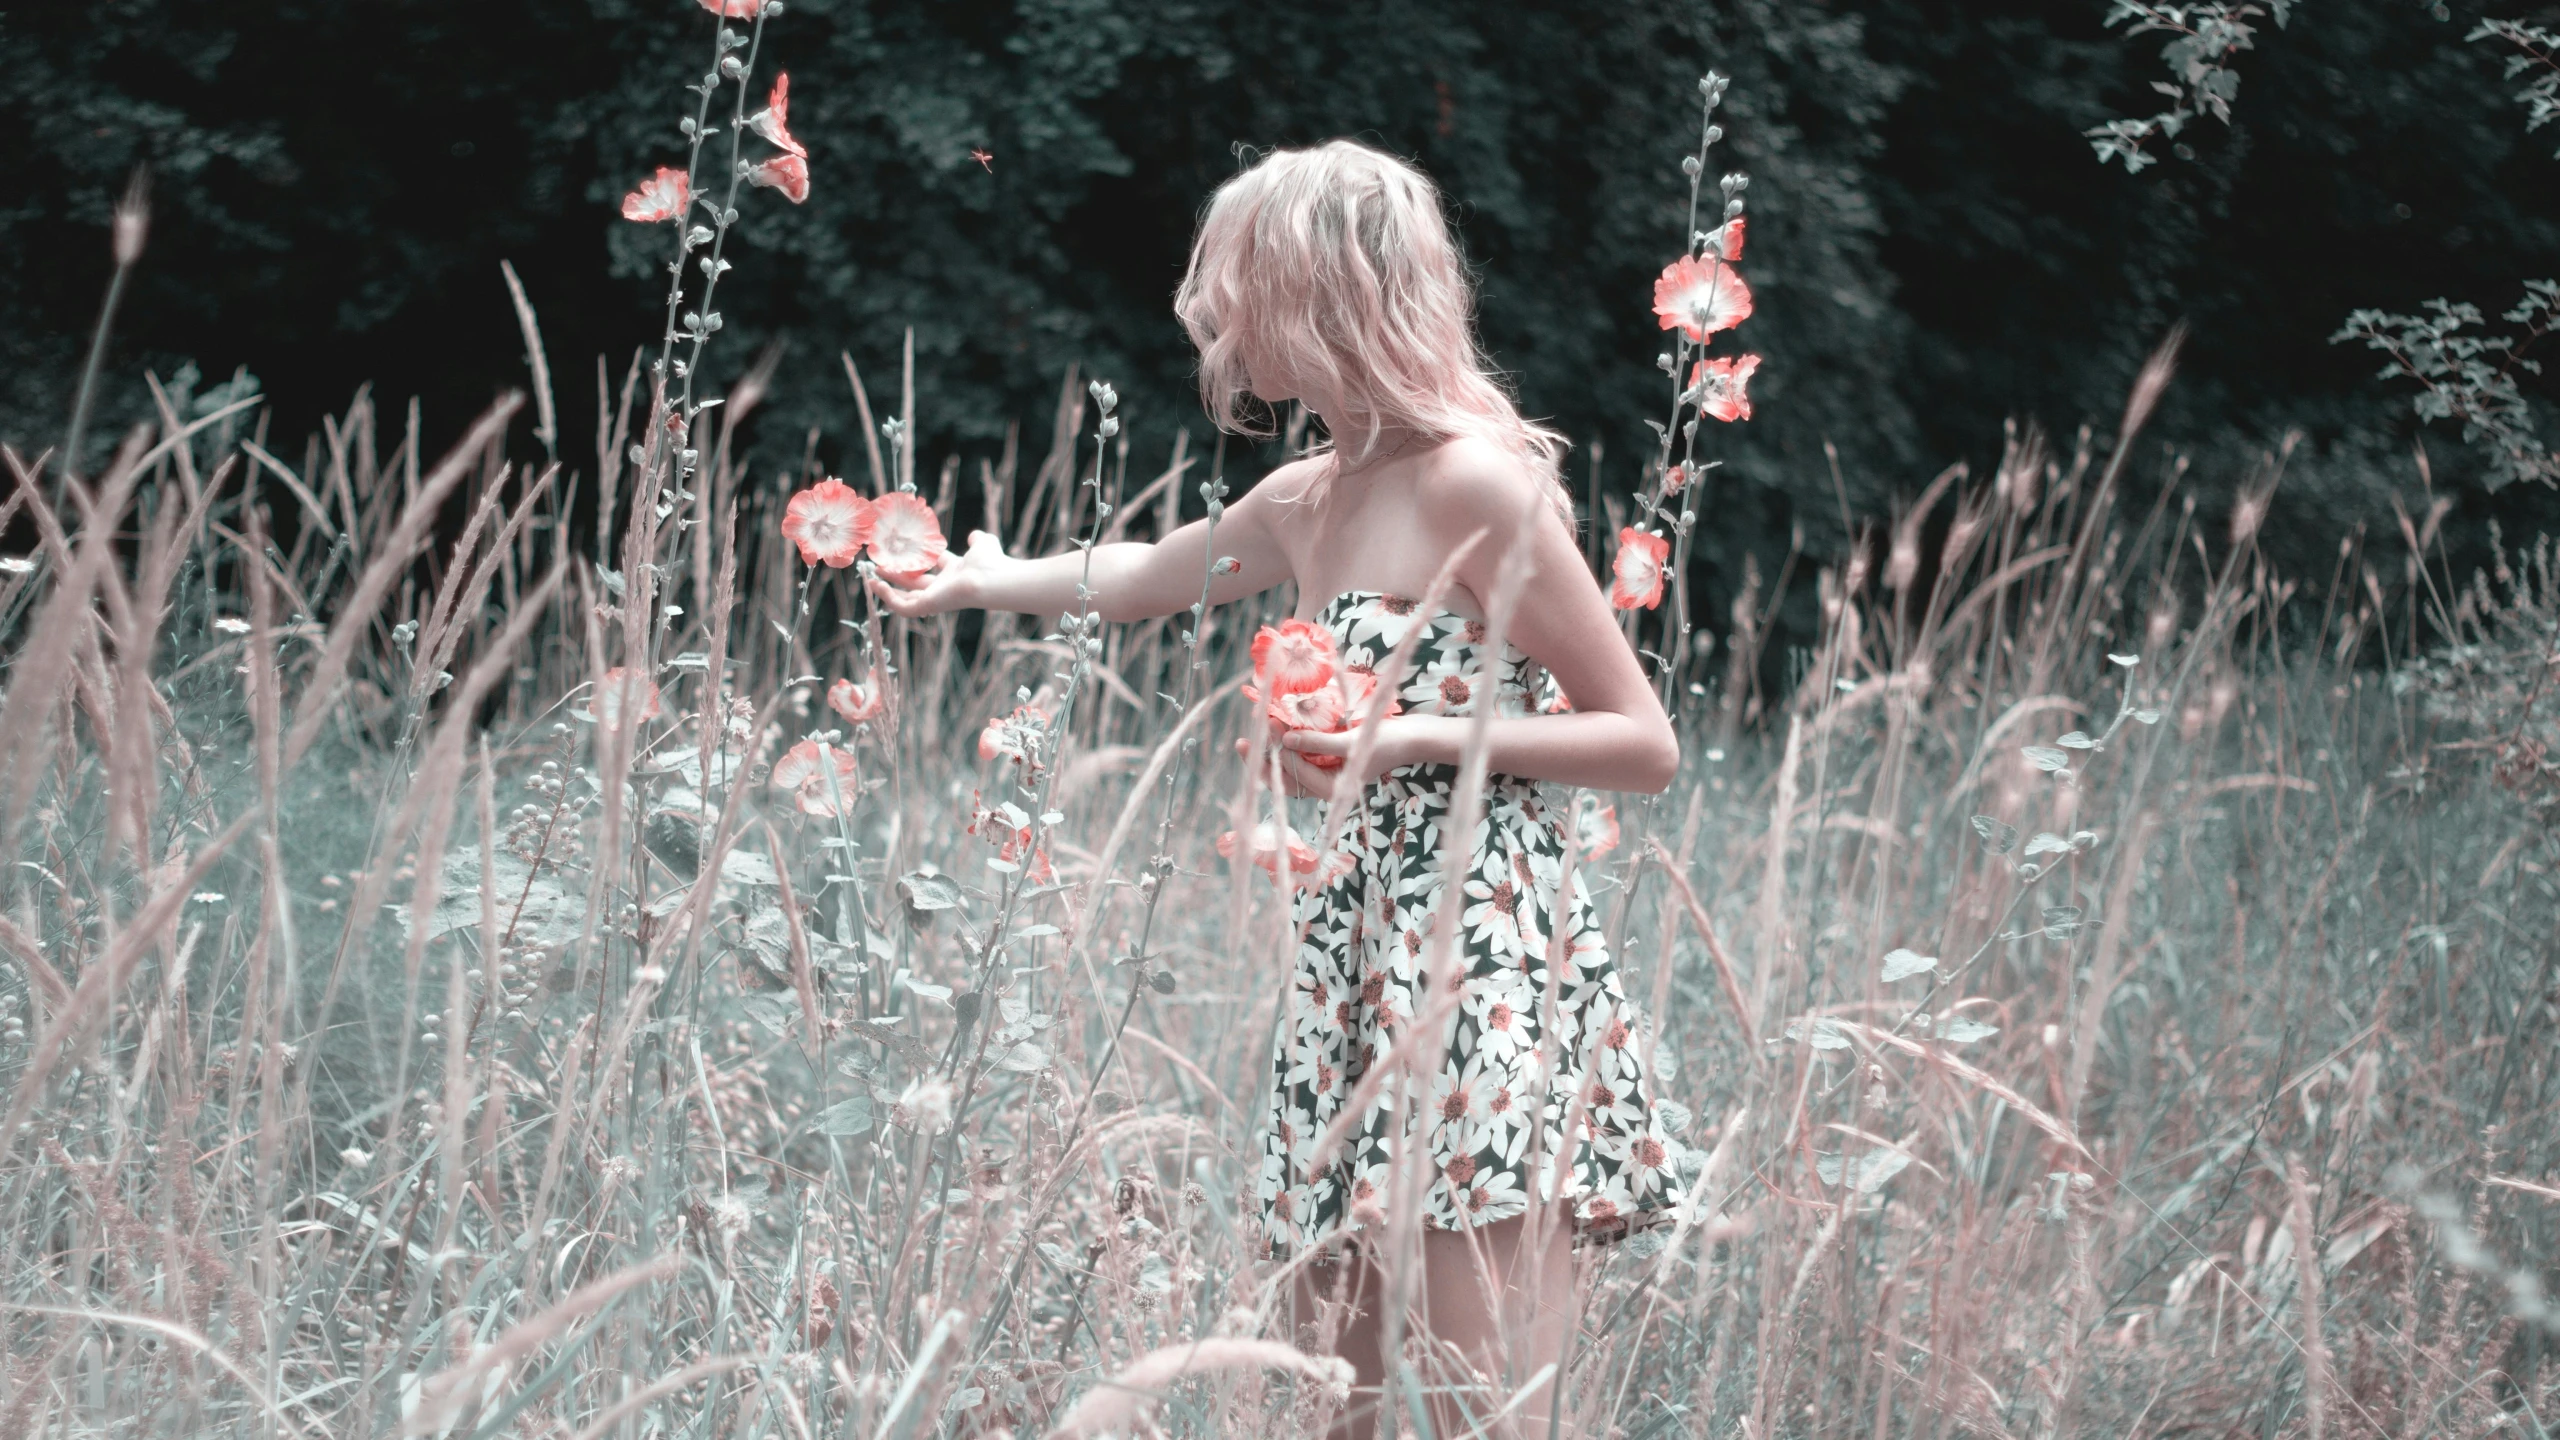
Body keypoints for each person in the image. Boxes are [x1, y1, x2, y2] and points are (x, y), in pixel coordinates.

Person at [873, 138, 1683, 1438]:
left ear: (1320, 296)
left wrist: (1416, 735)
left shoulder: (1476, 482)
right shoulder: (1309, 495)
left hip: (1487, 970)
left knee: (1495, 1415)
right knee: (1329, 1407)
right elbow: (1144, 576)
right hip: (1350, 963)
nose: (1218, 323)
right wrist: (977, 579)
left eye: (1238, 290)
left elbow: (1644, 741)